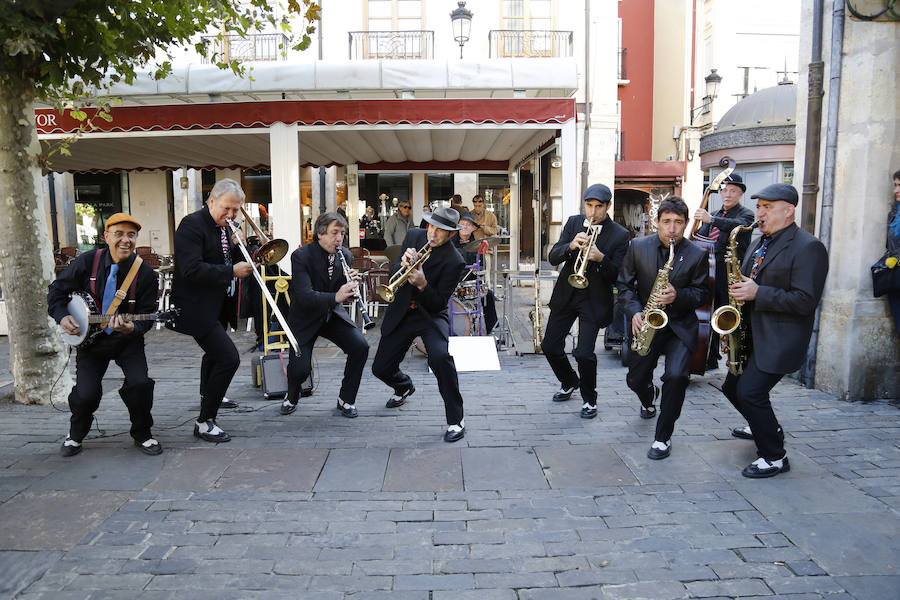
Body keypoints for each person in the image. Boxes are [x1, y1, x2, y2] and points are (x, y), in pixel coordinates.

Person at [722, 183, 828, 478]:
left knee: (751, 392)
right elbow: (753, 281)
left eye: (768, 207)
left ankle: (774, 456)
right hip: (752, 333)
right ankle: (765, 426)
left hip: (781, 338)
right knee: (732, 388)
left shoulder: (809, 247)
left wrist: (758, 292)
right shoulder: (759, 241)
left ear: (789, 210)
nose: (760, 213)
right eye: (758, 206)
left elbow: (805, 301)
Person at [48, 213, 162, 457]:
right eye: (118, 234)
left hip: (127, 341)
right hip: (90, 342)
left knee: (140, 384)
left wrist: (134, 328)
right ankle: (75, 435)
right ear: (106, 237)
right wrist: (62, 316)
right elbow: (57, 291)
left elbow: (148, 314)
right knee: (86, 394)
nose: (125, 240)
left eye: (131, 235)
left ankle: (142, 433)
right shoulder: (87, 262)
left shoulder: (145, 274)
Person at [616, 196, 710, 460]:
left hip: (680, 327)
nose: (672, 228)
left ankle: (662, 437)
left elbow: (702, 293)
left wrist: (678, 295)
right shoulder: (637, 246)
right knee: (635, 379)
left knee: (677, 377)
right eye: (666, 221)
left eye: (678, 223)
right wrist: (634, 312)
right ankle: (648, 398)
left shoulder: (697, 254)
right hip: (647, 323)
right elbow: (624, 286)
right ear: (656, 222)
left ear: (686, 223)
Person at [371, 206, 468, 442]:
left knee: (440, 358)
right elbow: (393, 273)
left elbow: (437, 303)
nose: (433, 233)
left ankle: (456, 419)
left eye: (441, 230)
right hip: (402, 311)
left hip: (430, 315)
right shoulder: (415, 235)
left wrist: (423, 284)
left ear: (451, 234)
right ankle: (403, 386)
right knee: (380, 368)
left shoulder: (455, 261)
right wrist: (401, 264)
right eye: (432, 226)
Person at [171, 178, 254, 443]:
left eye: (236, 210)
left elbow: (228, 258)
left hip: (220, 303)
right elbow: (191, 269)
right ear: (211, 202)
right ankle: (205, 421)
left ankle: (210, 395)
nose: (230, 215)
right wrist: (231, 271)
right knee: (228, 358)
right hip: (196, 306)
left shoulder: (225, 228)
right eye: (226, 209)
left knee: (213, 355)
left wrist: (238, 244)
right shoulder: (192, 225)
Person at [543, 184, 630, 418]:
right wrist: (571, 246)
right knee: (549, 346)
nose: (592, 212)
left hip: (593, 299)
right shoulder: (573, 223)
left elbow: (620, 274)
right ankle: (569, 380)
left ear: (608, 206)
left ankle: (589, 399)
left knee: (584, 353)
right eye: (589, 206)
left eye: (598, 207)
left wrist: (601, 258)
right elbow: (552, 257)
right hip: (567, 294)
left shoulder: (620, 235)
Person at [280, 213, 369, 418]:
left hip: (330, 315)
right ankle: (292, 395)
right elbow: (304, 296)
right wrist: (337, 296)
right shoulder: (301, 256)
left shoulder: (345, 255)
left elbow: (338, 290)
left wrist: (350, 287)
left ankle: (346, 399)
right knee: (300, 371)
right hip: (304, 317)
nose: (339, 239)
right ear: (320, 234)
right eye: (334, 233)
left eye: (342, 234)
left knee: (360, 347)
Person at [694, 174, 755, 369]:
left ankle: (735, 354)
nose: (728, 194)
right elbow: (701, 238)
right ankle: (709, 358)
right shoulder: (714, 213)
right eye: (725, 190)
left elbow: (737, 226)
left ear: (741, 194)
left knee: (726, 314)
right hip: (710, 270)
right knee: (709, 315)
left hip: (729, 273)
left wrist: (711, 219)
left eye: (733, 191)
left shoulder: (746, 214)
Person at [884, 170, 900, 337]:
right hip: (896, 277)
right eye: (896, 185)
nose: (896, 190)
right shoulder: (894, 213)